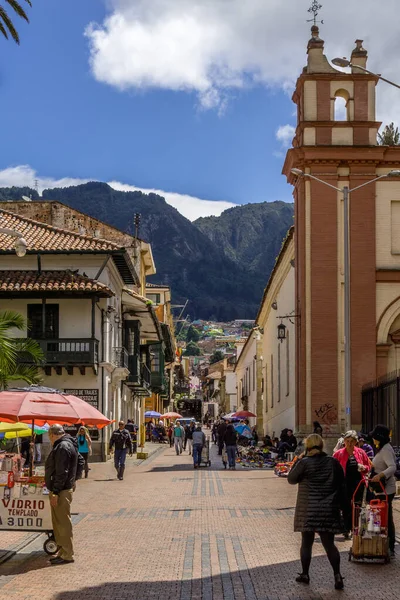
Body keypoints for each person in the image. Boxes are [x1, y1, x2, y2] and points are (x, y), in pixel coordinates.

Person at [288, 434, 345, 590]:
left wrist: (299, 460)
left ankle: (305, 574)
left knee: (306, 543)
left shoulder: (304, 463)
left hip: (308, 510)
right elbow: (341, 482)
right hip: (328, 509)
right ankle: (337, 575)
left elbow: (291, 479)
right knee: (329, 544)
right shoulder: (332, 462)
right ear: (321, 445)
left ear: (307, 446)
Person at [45, 424, 78, 565]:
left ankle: (67, 554)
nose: (50, 440)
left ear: (53, 434)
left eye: (49, 437)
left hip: (61, 490)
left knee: (62, 523)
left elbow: (61, 471)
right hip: (65, 487)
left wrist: (56, 492)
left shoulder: (62, 447)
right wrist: (74, 478)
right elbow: (80, 462)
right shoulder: (68, 444)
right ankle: (63, 552)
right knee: (59, 523)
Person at [333, 430, 371, 538]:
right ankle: (347, 529)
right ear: (344, 441)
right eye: (347, 441)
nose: (349, 443)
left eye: (352, 441)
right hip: (344, 483)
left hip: (358, 483)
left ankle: (355, 527)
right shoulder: (338, 453)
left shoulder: (361, 452)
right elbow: (333, 468)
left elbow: (368, 467)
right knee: (346, 506)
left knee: (357, 506)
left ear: (355, 442)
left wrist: (364, 468)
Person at [369, 425, 397, 557]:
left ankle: (389, 545)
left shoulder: (385, 450)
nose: (373, 439)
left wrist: (380, 476)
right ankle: (381, 544)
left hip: (386, 489)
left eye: (374, 437)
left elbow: (392, 467)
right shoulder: (382, 449)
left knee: (386, 516)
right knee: (382, 516)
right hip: (380, 489)